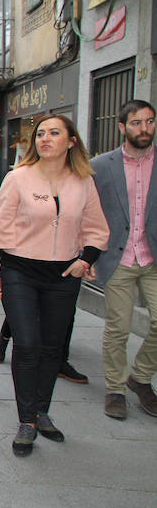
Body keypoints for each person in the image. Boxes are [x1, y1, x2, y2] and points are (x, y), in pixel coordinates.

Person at [0, 114, 108, 456]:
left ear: (71, 142)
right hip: (19, 270)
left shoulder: (84, 181)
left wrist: (87, 260)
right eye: (40, 134)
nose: (45, 139)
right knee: (27, 343)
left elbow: (96, 228)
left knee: (53, 348)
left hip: (63, 275)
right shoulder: (18, 178)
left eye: (54, 133)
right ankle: (27, 420)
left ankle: (41, 411)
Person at [91, 99, 157, 419]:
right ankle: (115, 388)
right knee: (118, 328)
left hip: (153, 258)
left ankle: (140, 377)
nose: (144, 129)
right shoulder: (101, 165)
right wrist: (85, 255)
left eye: (149, 122)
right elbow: (87, 213)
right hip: (118, 258)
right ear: (122, 127)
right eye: (136, 123)